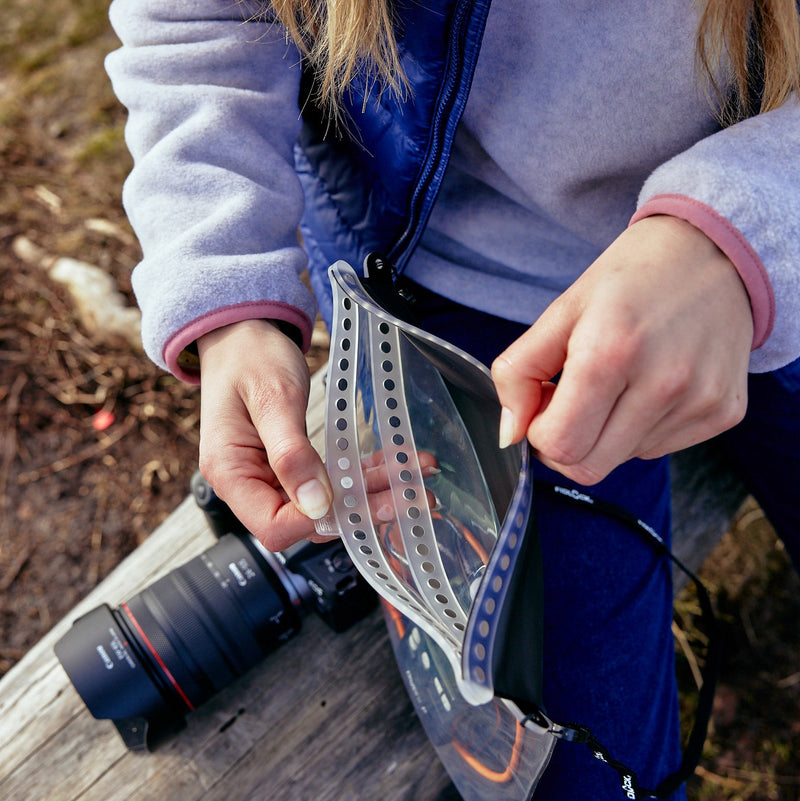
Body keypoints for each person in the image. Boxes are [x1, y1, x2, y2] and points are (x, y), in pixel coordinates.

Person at [105, 0, 800, 798]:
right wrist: (231, 295)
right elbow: (199, 22)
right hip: (460, 269)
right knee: (567, 771)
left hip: (777, 210)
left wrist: (742, 230)